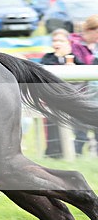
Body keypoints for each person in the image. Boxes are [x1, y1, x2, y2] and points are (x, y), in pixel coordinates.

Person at [40, 29, 83, 158]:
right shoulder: (48, 57)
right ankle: (53, 154)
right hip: (53, 100)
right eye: (54, 40)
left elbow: (84, 74)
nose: (57, 43)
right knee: (53, 128)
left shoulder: (74, 57)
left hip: (73, 100)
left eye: (61, 40)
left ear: (68, 43)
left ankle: (77, 152)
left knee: (79, 129)